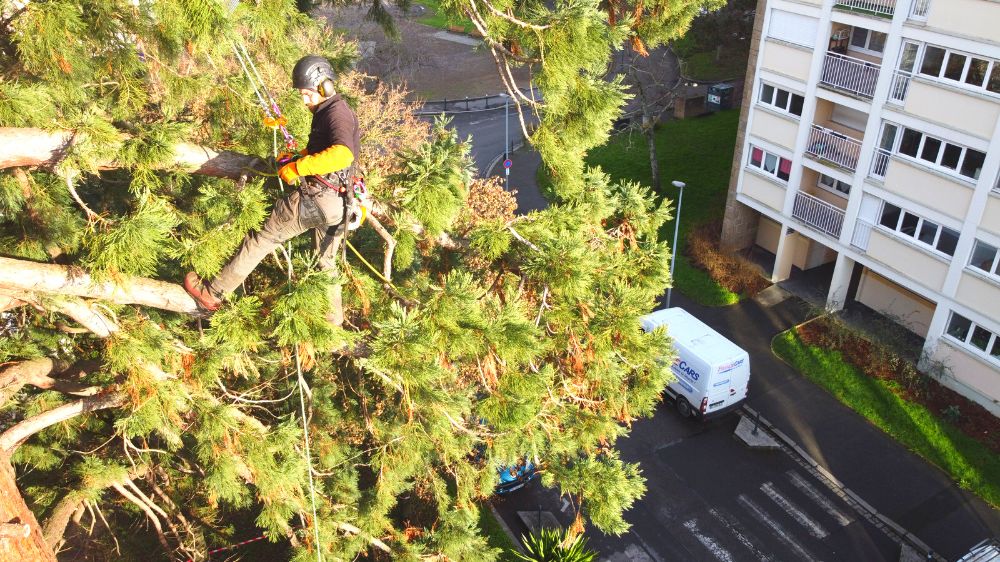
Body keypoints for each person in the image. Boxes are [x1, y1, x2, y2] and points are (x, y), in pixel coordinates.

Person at [184, 55, 361, 326]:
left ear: (324, 86)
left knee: (262, 239)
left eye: (308, 94)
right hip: (340, 204)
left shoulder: (336, 112)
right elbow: (323, 152)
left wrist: (298, 168)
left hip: (319, 198)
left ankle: (212, 293)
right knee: (326, 262)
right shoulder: (331, 111)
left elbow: (341, 155)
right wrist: (296, 158)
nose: (304, 101)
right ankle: (332, 322)